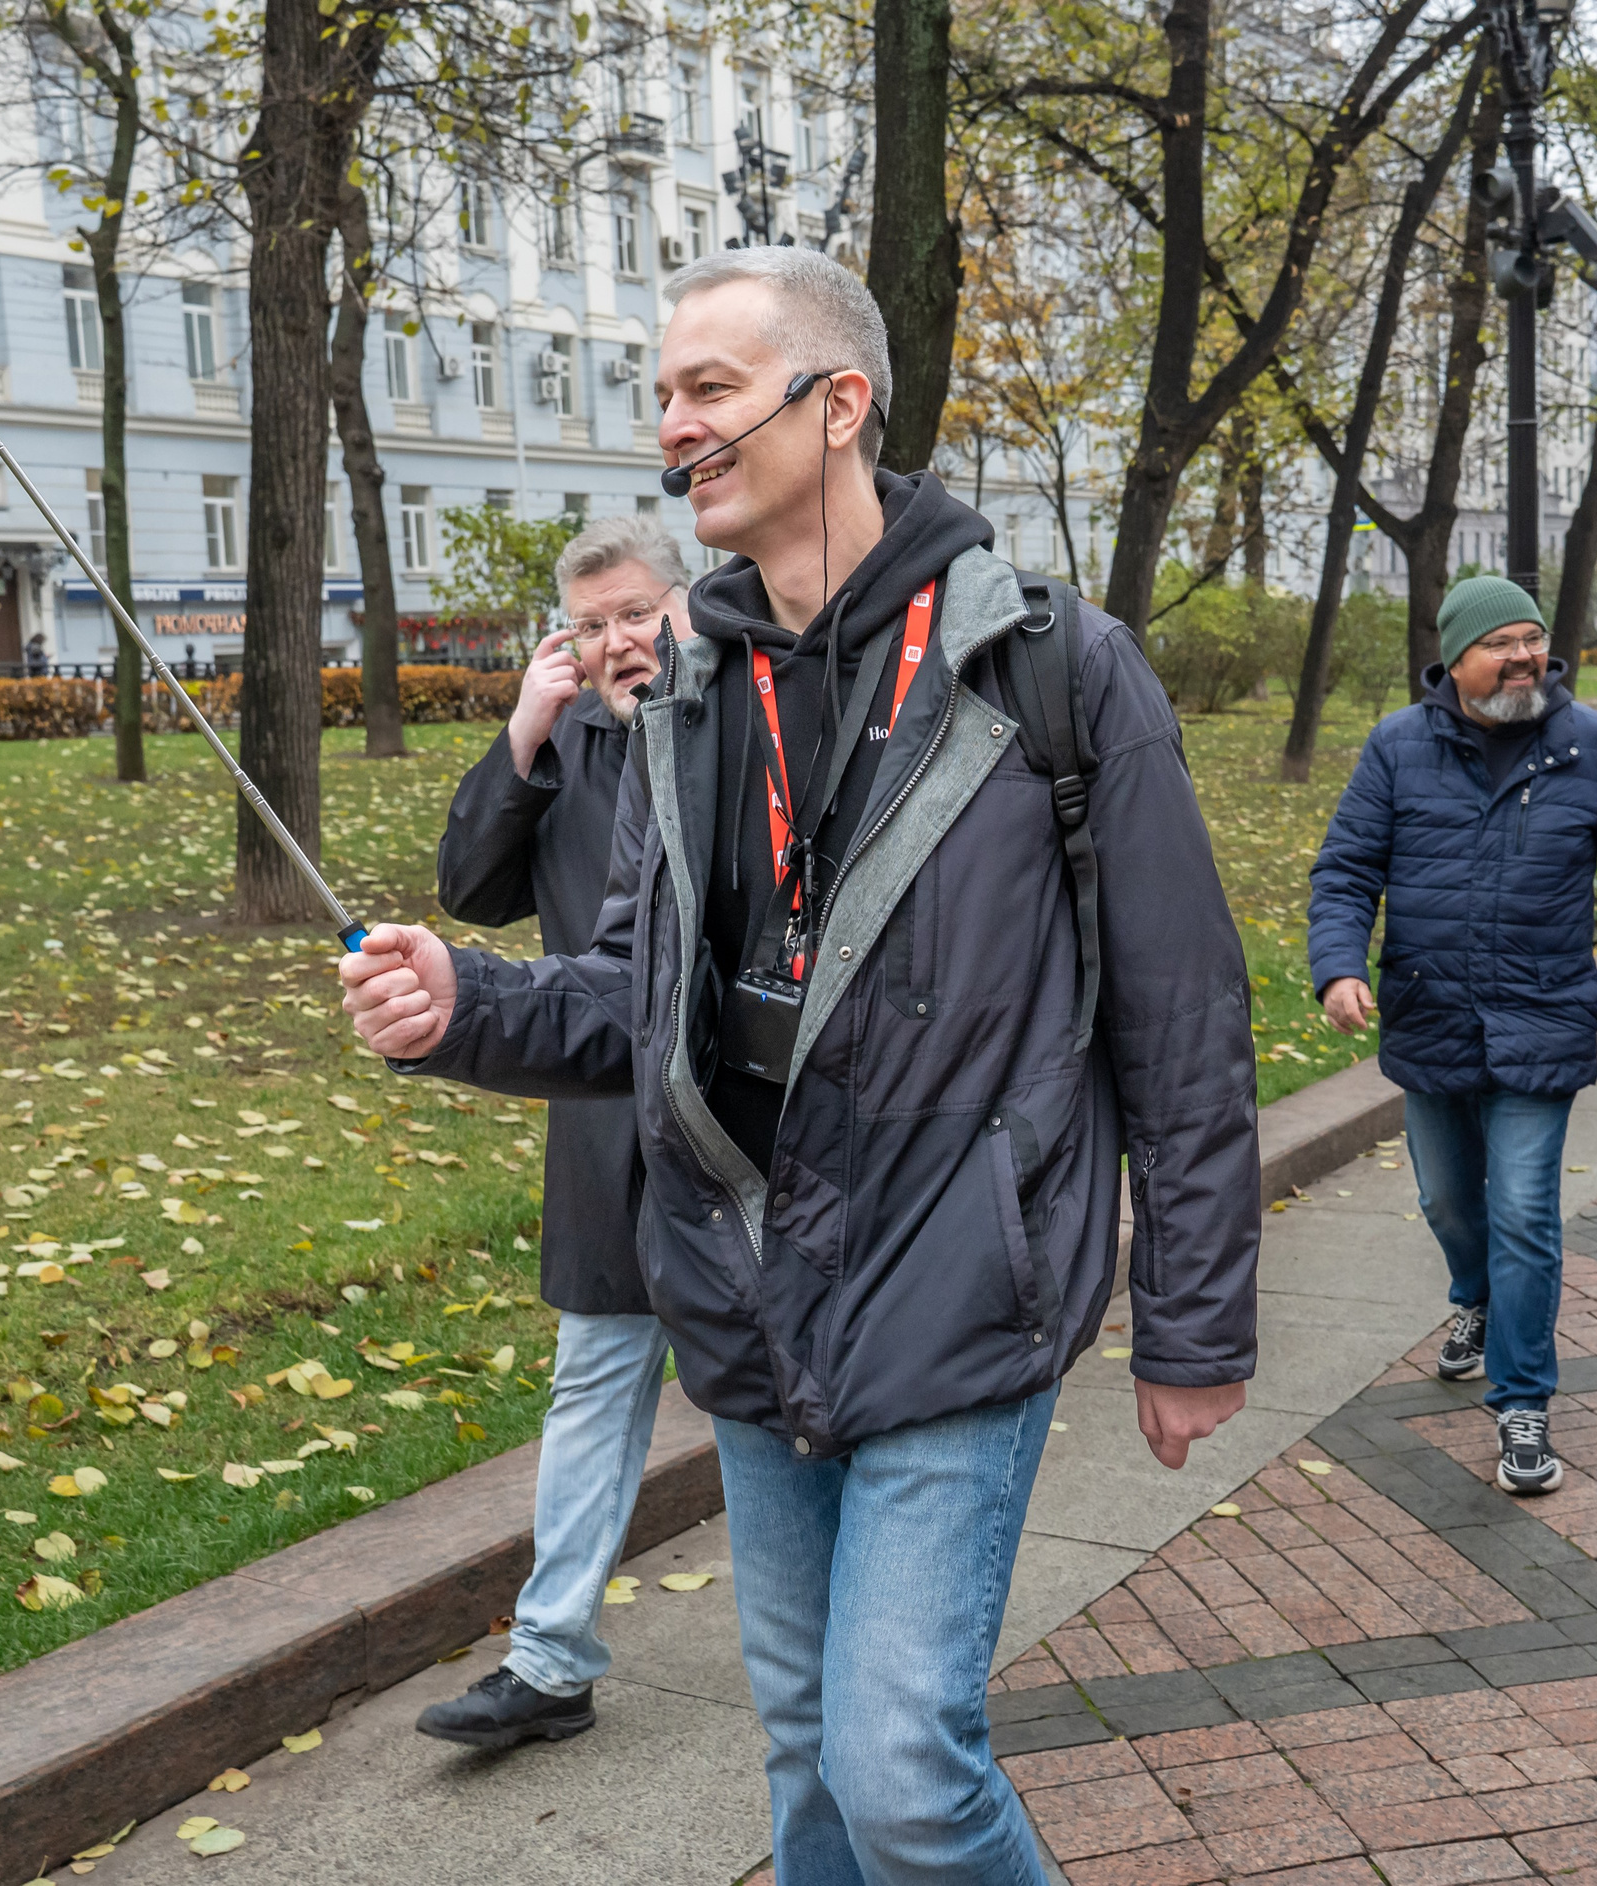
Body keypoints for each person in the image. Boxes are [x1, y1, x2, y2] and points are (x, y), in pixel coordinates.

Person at [340, 246, 1260, 1884]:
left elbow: (1184, 1025)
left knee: (899, 1761)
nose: (672, 427)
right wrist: (462, 1002)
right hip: (749, 1284)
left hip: (962, 1276)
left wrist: (1193, 1323)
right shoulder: (685, 687)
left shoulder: (1052, 664)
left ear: (837, 407)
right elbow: (635, 989)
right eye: (662, 396)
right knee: (805, 1753)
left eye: (708, 389)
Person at [1308, 575, 1597, 1496]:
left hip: (1541, 1014)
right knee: (1449, 1204)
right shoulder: (1400, 747)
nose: (1526, 657)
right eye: (1503, 644)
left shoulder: (1591, 747)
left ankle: (1524, 1403)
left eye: (1535, 640)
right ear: (1456, 659)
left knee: (1525, 1213)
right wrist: (1338, 966)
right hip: (1430, 1013)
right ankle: (1474, 1300)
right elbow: (1345, 870)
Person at [410, 514, 692, 1749]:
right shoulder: (569, 739)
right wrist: (525, 727)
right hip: (600, 1124)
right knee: (593, 1384)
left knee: (774, 1398)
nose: (617, 640)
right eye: (590, 624)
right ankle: (549, 1660)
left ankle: (849, 1643)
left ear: (684, 603)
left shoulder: (749, 719)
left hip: (743, 1131)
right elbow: (469, 889)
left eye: (635, 612)